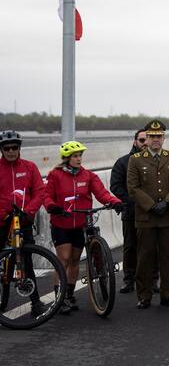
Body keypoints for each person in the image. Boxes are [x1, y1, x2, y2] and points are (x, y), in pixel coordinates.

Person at [45, 141, 123, 313]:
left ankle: (69, 295)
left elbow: (102, 193)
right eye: (75, 156)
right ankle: (60, 298)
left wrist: (115, 202)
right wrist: (52, 206)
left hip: (80, 223)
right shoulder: (55, 175)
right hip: (61, 223)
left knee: (74, 260)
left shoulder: (88, 176)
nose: (79, 158)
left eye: (80, 155)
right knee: (63, 259)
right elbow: (47, 196)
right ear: (66, 158)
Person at [127, 119, 169, 309]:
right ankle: (144, 296)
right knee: (145, 257)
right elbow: (133, 188)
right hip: (146, 216)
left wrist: (167, 203)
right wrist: (152, 206)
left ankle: (167, 295)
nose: (155, 140)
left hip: (168, 215)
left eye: (159, 136)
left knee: (168, 257)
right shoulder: (135, 159)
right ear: (147, 138)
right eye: (151, 136)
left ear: (164, 137)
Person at [0, 131, 48, 317]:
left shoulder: (29, 167)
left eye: (15, 147)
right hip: (2, 220)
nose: (11, 151)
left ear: (19, 148)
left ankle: (36, 303)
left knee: (26, 261)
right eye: (7, 148)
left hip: (23, 219)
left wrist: (29, 211)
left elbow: (39, 192)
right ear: (2, 150)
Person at [110, 128, 151, 294]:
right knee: (130, 247)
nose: (144, 143)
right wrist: (133, 201)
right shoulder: (123, 162)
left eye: (147, 140)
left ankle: (152, 281)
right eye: (141, 140)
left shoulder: (157, 160)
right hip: (131, 211)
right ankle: (128, 280)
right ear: (135, 141)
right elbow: (115, 186)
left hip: (151, 212)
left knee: (151, 248)